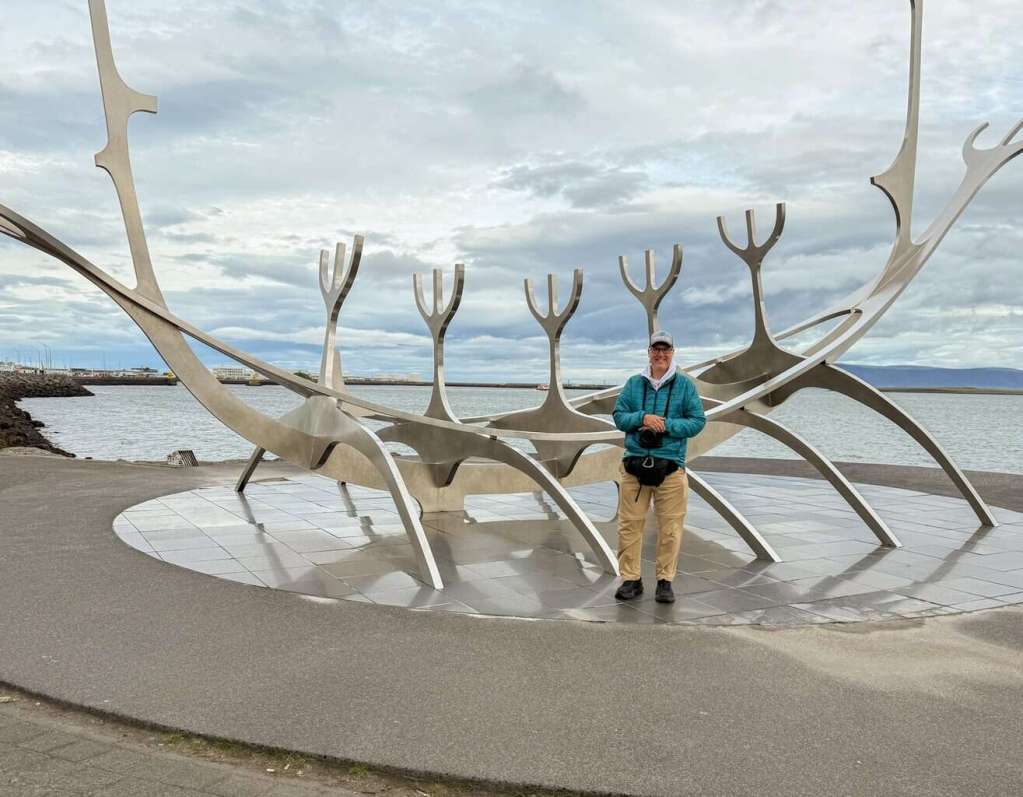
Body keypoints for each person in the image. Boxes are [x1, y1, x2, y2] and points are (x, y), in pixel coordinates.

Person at [611, 330, 706, 603]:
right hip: (634, 467)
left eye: (666, 350)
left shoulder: (685, 386)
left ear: (673, 352)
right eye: (656, 349)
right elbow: (619, 416)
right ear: (649, 352)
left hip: (671, 468)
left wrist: (665, 425)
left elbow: (698, 421)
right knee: (629, 525)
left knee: (671, 527)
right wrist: (643, 417)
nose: (660, 354)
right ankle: (631, 579)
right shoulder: (633, 384)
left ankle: (665, 580)